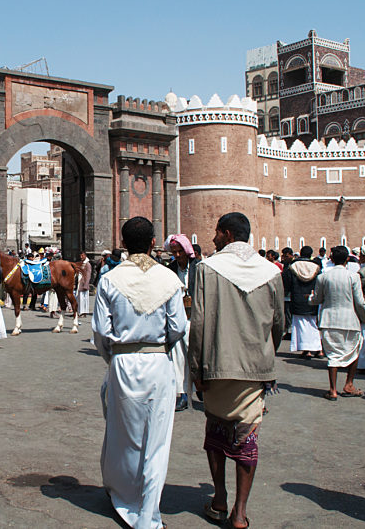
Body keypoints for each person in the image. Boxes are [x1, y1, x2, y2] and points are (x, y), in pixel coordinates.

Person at [189, 212, 283, 529]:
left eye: (216, 232)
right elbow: (279, 323)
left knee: (215, 433)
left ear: (227, 234)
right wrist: (266, 354)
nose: (213, 237)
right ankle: (240, 512)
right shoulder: (270, 271)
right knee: (247, 437)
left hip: (216, 366)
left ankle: (219, 499)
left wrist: (196, 369)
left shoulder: (207, 269)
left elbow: (198, 323)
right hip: (255, 370)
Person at [93, 216, 187, 529]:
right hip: (158, 362)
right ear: (152, 243)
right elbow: (178, 328)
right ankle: (149, 512)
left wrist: (114, 358)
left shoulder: (110, 278)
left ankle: (124, 497)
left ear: (123, 242)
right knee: (157, 439)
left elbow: (100, 331)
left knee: (123, 435)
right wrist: (161, 349)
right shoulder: (169, 279)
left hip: (122, 362)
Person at [309, 245, 365, 400]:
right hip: (350, 320)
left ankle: (333, 389)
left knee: (332, 356)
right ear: (347, 260)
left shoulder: (323, 277)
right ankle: (349, 383)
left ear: (331, 259)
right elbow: (360, 301)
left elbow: (317, 299)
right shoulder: (353, 276)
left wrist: (310, 299)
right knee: (353, 351)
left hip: (329, 320)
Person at [166, 233, 200, 412]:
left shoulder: (199, 269)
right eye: (174, 252)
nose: (177, 255)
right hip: (178, 320)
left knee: (197, 357)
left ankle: (200, 388)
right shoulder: (170, 270)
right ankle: (183, 394)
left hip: (196, 319)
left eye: (180, 251)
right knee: (179, 358)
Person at [284, 245, 321, 358]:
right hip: (311, 299)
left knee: (301, 325)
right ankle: (317, 348)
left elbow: (287, 283)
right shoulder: (316, 268)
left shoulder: (293, 267)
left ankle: (306, 349)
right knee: (313, 325)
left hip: (297, 299)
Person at [77, 251, 93, 317]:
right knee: (80, 298)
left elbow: (88, 275)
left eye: (82, 255)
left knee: (84, 298)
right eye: (80, 256)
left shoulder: (87, 264)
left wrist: (86, 284)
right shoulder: (82, 263)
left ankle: (84, 312)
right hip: (80, 282)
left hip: (84, 283)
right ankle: (81, 311)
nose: (81, 257)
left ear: (85, 256)